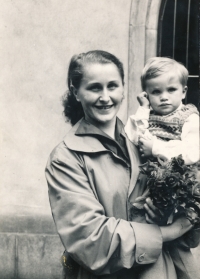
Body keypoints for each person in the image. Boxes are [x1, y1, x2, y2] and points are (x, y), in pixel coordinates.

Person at [45, 51, 194, 279]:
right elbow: (90, 239)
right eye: (95, 88)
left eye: (112, 86)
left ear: (123, 89)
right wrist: (168, 232)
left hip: (167, 269)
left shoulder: (144, 141)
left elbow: (188, 208)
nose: (105, 97)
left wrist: (184, 212)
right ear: (76, 92)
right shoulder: (66, 158)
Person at [125, 57, 200, 279]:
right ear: (147, 95)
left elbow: (193, 152)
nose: (164, 96)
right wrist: (143, 109)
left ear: (184, 91)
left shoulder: (190, 118)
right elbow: (132, 135)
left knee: (180, 245)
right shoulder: (148, 116)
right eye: (155, 92)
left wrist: (156, 147)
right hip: (154, 189)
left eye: (171, 89)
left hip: (181, 188)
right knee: (154, 239)